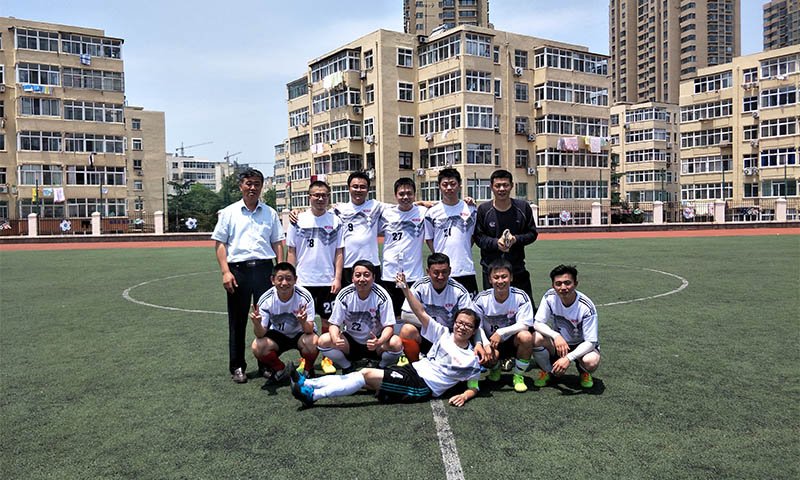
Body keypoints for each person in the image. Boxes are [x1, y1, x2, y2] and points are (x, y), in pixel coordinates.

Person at [290, 270, 483, 408]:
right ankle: (307, 384)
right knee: (364, 379)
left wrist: (465, 396)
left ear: (474, 330)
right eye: (459, 322)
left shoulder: (471, 358)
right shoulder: (443, 333)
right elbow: (421, 312)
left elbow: (474, 385)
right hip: (412, 370)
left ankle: (313, 395)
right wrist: (405, 289)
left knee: (366, 374)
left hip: (421, 386)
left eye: (467, 325)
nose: (462, 327)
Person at [211, 168, 284, 383]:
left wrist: (279, 271)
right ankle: (237, 367)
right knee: (238, 321)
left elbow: (277, 243)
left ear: (262, 187)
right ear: (241, 186)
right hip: (238, 271)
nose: (252, 188)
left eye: (257, 184)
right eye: (248, 183)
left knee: (266, 319)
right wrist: (225, 272)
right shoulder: (229, 213)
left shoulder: (270, 213)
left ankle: (266, 364)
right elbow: (220, 244)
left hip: (264, 270)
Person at [286, 180, 344, 375]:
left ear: (328, 197)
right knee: (305, 324)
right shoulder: (298, 220)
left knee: (328, 322)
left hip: (327, 281)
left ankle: (327, 358)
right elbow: (292, 251)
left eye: (324, 195)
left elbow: (339, 252)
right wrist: (291, 278)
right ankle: (306, 360)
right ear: (309, 197)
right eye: (316, 195)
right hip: (304, 282)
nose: (320, 198)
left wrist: (337, 278)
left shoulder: (335, 221)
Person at [316, 260, 403, 372]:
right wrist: (335, 338)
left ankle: (381, 366)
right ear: (352, 278)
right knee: (323, 340)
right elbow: (334, 324)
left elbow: (389, 326)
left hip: (375, 342)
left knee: (396, 343)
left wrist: (379, 341)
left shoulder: (382, 296)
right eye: (358, 275)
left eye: (366, 275)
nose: (362, 279)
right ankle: (347, 366)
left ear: (373, 277)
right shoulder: (345, 294)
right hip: (351, 342)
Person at [397, 253, 477, 362]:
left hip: (449, 336)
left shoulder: (459, 291)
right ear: (428, 271)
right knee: (407, 330)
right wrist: (432, 326)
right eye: (436, 272)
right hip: (426, 334)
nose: (440, 276)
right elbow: (405, 315)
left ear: (450, 271)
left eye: (444, 272)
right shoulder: (420, 287)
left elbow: (470, 319)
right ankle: (414, 363)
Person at [531, 264, 601, 389]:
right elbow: (537, 323)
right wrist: (556, 336)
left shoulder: (586, 306)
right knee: (535, 338)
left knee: (591, 361)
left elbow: (591, 342)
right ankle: (549, 372)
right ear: (553, 285)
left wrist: (568, 358)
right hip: (559, 343)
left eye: (567, 283)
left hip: (581, 345)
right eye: (558, 284)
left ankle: (584, 372)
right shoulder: (549, 297)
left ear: (575, 284)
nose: (563, 287)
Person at [473, 169, 538, 300]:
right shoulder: (484, 210)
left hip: (517, 269)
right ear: (491, 187)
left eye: (505, 185)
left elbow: (532, 233)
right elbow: (479, 237)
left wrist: (515, 239)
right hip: (491, 271)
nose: (502, 189)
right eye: (498, 185)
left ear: (512, 186)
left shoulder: (523, 207)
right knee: (492, 308)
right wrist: (496, 243)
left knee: (525, 306)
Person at [472, 259, 535, 393]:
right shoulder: (481, 299)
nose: (500, 281)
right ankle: (495, 369)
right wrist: (485, 344)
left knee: (526, 337)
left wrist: (501, 332)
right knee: (481, 352)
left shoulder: (520, 296)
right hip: (491, 343)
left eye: (504, 276)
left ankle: (518, 376)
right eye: (496, 277)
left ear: (511, 277)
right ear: (490, 279)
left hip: (513, 341)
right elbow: (477, 327)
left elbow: (525, 324)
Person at [249, 263, 318, 381]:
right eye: (280, 279)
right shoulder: (266, 300)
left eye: (289, 279)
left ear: (295, 279)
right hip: (278, 335)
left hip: (300, 333)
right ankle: (281, 370)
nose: (284, 283)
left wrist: (303, 322)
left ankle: (307, 371)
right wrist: (257, 324)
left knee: (314, 341)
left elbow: (309, 329)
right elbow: (260, 334)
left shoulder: (304, 296)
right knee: (258, 346)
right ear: (272, 280)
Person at [424, 168, 479, 297]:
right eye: (445, 184)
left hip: (465, 269)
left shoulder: (471, 209)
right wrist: (439, 257)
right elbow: (429, 239)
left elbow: (473, 236)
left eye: (453, 184)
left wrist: (463, 248)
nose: (449, 188)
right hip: (441, 272)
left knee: (468, 308)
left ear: (459, 185)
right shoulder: (431, 213)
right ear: (439, 187)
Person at [378, 177, 429, 317]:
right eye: (401, 194)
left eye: (409, 193)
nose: (405, 197)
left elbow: (443, 206)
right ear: (395, 195)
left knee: (414, 315)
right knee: (392, 315)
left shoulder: (423, 212)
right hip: (390, 274)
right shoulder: (386, 214)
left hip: (414, 274)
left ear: (414, 194)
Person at [334, 171, 384, 285]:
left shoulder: (376, 206)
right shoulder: (339, 209)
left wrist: (421, 203)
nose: (358, 190)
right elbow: (320, 213)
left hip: (372, 264)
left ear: (368, 190)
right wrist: (297, 213)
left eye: (362, 187)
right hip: (348, 265)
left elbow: (400, 207)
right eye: (355, 186)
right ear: (349, 188)